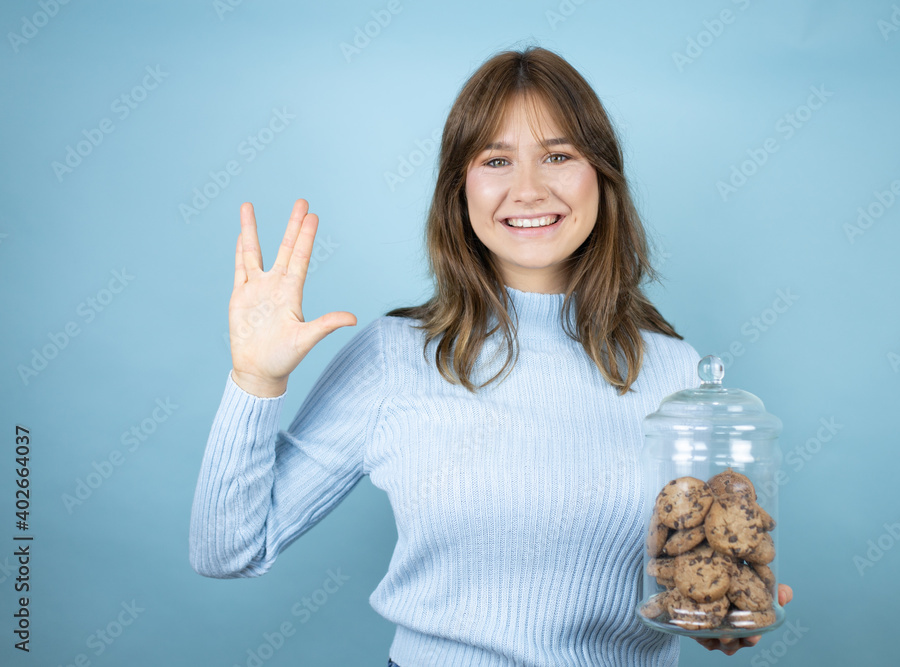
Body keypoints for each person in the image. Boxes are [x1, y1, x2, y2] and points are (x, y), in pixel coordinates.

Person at [189, 46, 792, 666]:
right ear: (461, 188)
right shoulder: (396, 358)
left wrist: (716, 618)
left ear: (602, 176)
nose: (528, 190)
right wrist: (254, 380)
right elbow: (227, 552)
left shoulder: (675, 373)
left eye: (557, 156)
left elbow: (691, 570)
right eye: (496, 160)